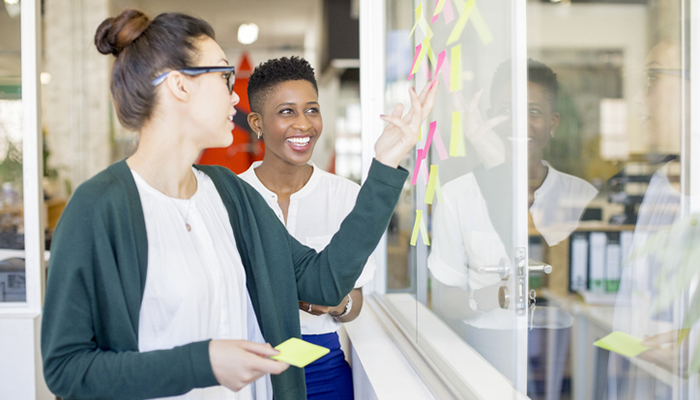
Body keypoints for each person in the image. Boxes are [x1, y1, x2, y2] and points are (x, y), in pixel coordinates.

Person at [40, 9, 438, 400]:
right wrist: (205, 361)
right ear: (180, 86)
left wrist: (385, 164)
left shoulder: (230, 195)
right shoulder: (99, 208)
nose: (235, 95)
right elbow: (67, 368)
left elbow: (323, 281)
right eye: (223, 75)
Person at [427, 60, 596, 395]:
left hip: (560, 349)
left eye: (533, 111)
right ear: (490, 116)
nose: (519, 124)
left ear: (553, 123)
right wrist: (485, 298)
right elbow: (445, 297)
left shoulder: (580, 195)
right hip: (484, 348)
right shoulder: (457, 195)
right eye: (506, 110)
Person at [238, 56, 371, 400]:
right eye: (287, 112)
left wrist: (334, 304)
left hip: (321, 366)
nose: (304, 124)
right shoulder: (232, 197)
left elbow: (354, 303)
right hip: (246, 364)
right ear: (257, 122)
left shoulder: (345, 196)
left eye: (312, 110)